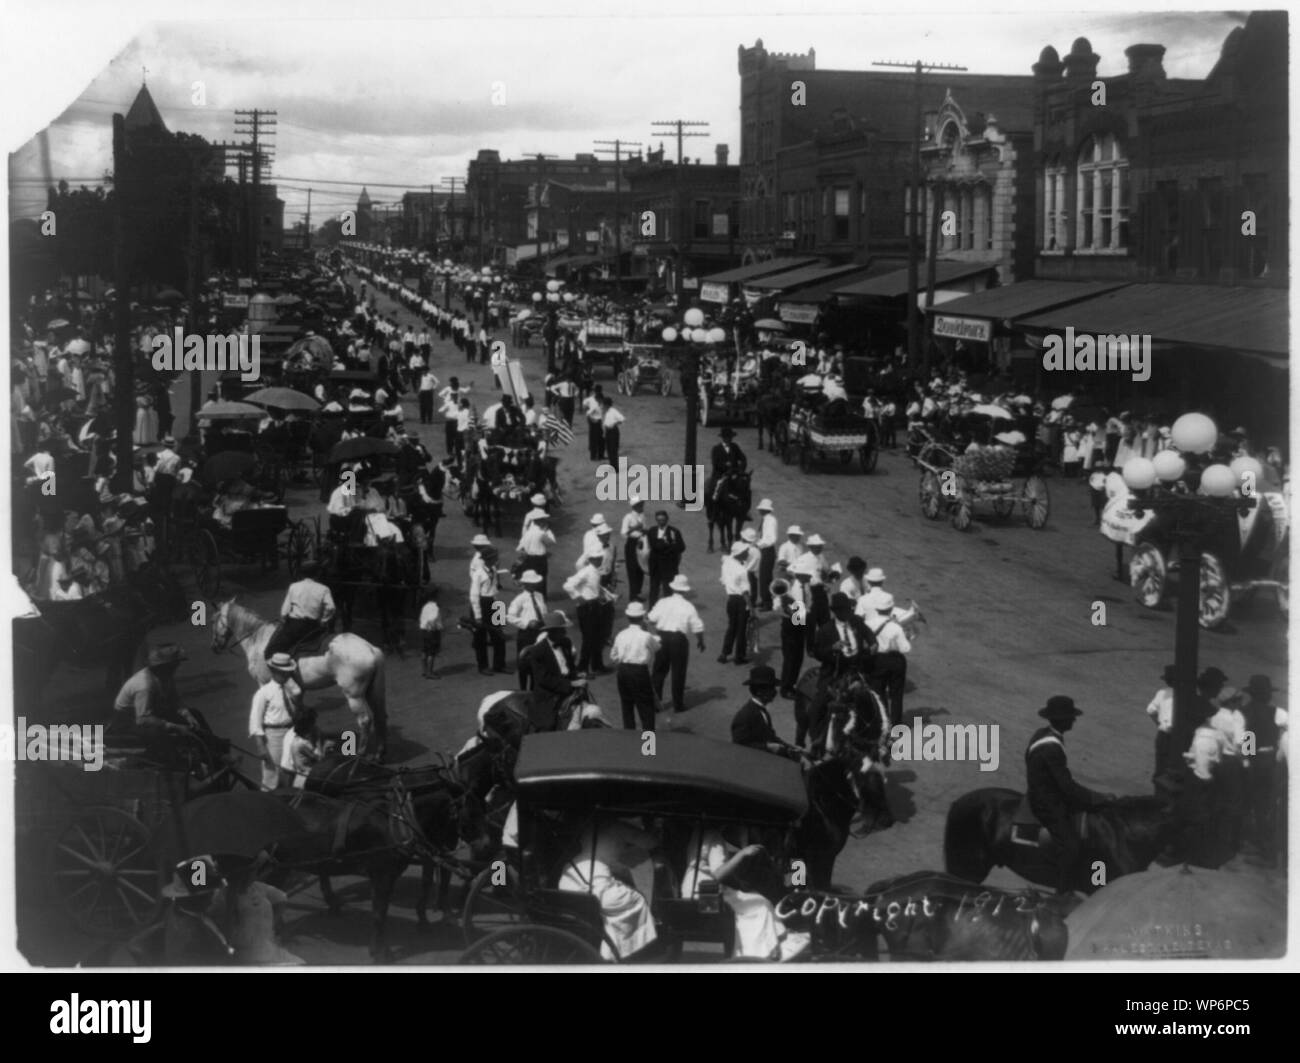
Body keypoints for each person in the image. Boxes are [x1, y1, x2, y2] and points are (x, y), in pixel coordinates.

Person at [679, 823, 809, 962]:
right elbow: (722, 872)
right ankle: (769, 948)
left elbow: (794, 873)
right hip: (724, 887)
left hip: (771, 882)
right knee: (763, 903)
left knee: (777, 895)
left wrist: (794, 880)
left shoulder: (700, 833)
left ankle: (775, 942)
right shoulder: (719, 839)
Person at [1024, 696, 1113, 894]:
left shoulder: (1041, 734)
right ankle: (1062, 893)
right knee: (1070, 845)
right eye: (1070, 717)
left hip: (1042, 792)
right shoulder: (1052, 747)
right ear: (1062, 720)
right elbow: (1067, 786)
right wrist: (1097, 798)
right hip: (1046, 802)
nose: (1074, 720)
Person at [557, 815, 660, 961]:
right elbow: (649, 842)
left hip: (572, 870)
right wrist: (655, 832)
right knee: (637, 899)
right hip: (596, 873)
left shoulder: (588, 825)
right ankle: (627, 948)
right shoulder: (617, 826)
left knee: (608, 893)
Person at [1239, 675, 1284, 865]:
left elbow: (1248, 739)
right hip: (1271, 760)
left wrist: (1247, 762)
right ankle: (1264, 844)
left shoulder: (1246, 711)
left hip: (1255, 761)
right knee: (1266, 805)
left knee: (1254, 804)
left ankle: (1264, 850)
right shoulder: (1275, 712)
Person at [648, 574, 705, 721]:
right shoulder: (688, 606)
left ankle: (655, 702)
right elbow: (697, 627)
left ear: (673, 588)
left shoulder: (662, 602)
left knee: (659, 670)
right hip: (679, 640)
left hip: (662, 637)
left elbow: (651, 619)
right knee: (678, 672)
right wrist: (701, 641)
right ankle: (678, 704)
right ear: (685, 591)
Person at [160, 856, 235, 966]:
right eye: (208, 893)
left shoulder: (180, 912)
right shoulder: (192, 932)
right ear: (194, 899)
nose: (213, 896)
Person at [112, 643, 194, 737]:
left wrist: (187, 714)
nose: (178, 666)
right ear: (165, 666)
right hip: (128, 721)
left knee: (194, 714)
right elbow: (142, 719)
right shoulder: (144, 685)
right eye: (175, 664)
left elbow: (174, 699)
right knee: (166, 735)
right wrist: (174, 726)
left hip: (149, 712)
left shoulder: (165, 676)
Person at [249, 654, 303, 790]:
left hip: (292, 732)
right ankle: (267, 798)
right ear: (274, 671)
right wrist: (261, 746)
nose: (287, 675)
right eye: (283, 672)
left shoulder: (291, 689)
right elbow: (255, 722)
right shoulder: (263, 693)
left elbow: (298, 705)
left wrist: (295, 693)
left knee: (292, 769)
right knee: (272, 773)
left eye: (288, 672)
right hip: (274, 736)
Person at [265, 564, 336, 662]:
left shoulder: (294, 586)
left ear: (302, 574)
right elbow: (331, 607)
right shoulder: (324, 589)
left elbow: (285, 611)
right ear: (317, 574)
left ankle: (281, 668)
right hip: (314, 627)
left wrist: (284, 618)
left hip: (295, 626)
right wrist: (323, 620)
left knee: (271, 651)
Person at [859, 592, 910, 728]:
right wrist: (906, 635)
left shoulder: (867, 623)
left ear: (877, 609)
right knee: (896, 695)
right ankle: (896, 726)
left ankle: (882, 723)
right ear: (891, 609)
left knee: (878, 692)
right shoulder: (896, 626)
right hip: (895, 661)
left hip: (876, 660)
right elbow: (905, 648)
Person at [731, 665, 801, 760]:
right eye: (771, 688)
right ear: (759, 691)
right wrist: (768, 747)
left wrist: (791, 747)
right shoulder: (745, 716)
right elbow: (739, 747)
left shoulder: (762, 711)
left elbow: (771, 737)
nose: (775, 692)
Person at [611, 601, 660, 731]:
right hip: (639, 672)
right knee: (646, 709)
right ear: (642, 617)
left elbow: (613, 656)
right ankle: (648, 743)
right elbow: (656, 647)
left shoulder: (621, 635)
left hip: (623, 670)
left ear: (628, 617)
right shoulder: (646, 636)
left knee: (627, 706)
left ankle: (629, 738)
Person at [528, 611, 578, 731]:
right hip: (549, 692)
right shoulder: (538, 651)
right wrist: (571, 684)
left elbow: (570, 666)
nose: (565, 632)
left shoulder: (566, 642)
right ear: (552, 632)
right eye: (562, 630)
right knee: (548, 725)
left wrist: (576, 675)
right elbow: (544, 679)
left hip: (568, 685)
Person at [469, 534, 509, 676]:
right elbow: (474, 595)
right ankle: (483, 666)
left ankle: (500, 664)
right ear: (488, 559)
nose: (496, 560)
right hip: (482, 603)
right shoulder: (478, 574)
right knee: (480, 637)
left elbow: (494, 588)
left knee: (499, 634)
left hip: (494, 601)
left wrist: (499, 606)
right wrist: (478, 615)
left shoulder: (493, 570)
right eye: (494, 558)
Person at [563, 549, 607, 676]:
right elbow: (568, 585)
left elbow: (593, 587)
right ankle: (583, 667)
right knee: (589, 638)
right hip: (587, 607)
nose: (599, 560)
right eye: (596, 559)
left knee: (598, 637)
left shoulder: (596, 571)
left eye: (600, 558)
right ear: (591, 560)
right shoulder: (585, 572)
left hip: (595, 605)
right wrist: (578, 597)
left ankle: (597, 665)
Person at [505, 570, 548, 690]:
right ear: (526, 584)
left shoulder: (539, 596)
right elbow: (510, 616)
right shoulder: (520, 599)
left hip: (540, 631)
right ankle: (523, 690)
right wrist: (527, 623)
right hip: (527, 633)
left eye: (535, 583)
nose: (534, 585)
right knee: (524, 662)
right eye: (531, 583)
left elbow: (544, 612)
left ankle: (535, 689)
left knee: (538, 662)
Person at [718, 540, 753, 665]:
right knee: (741, 629)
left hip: (731, 599)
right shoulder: (741, 570)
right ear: (740, 554)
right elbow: (745, 592)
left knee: (732, 627)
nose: (748, 553)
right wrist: (751, 609)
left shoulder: (727, 563)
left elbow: (723, 580)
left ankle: (724, 653)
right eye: (746, 552)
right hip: (741, 601)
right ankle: (739, 656)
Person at [1145, 664, 1177, 786]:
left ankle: (1158, 792)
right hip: (1177, 737)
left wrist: (1159, 723)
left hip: (1162, 734)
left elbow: (1150, 711)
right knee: (1174, 769)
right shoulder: (1186, 696)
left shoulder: (1161, 693)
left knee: (1160, 767)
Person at [645, 509, 686, 606]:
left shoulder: (674, 531)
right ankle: (651, 610)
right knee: (654, 589)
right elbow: (654, 545)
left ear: (667, 519)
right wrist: (668, 544)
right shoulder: (652, 531)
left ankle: (668, 610)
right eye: (658, 520)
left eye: (663, 520)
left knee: (668, 590)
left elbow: (681, 547)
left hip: (669, 566)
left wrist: (667, 546)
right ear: (656, 520)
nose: (661, 522)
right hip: (655, 566)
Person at [280, 707, 327, 789]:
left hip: (307, 768)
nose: (314, 724)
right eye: (312, 722)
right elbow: (299, 766)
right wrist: (324, 747)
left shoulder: (312, 730)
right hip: (293, 772)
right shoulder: (296, 741)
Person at [515, 513, 555, 598]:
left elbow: (521, 546)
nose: (545, 522)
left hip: (529, 558)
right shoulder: (541, 533)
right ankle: (541, 598)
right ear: (540, 522)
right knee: (541, 578)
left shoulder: (528, 532)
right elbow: (550, 543)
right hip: (539, 560)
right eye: (544, 520)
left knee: (531, 577)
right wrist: (547, 531)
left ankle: (531, 596)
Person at [620, 494, 648, 602]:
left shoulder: (642, 516)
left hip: (642, 542)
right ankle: (633, 596)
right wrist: (635, 528)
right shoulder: (628, 517)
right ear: (635, 506)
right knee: (632, 569)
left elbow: (644, 528)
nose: (642, 506)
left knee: (641, 568)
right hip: (632, 544)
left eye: (642, 504)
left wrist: (644, 531)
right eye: (640, 504)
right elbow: (623, 533)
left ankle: (637, 593)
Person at [755, 499, 778, 610]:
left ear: (765, 510)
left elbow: (771, 539)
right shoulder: (766, 520)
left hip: (767, 551)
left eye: (761, 509)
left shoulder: (770, 521)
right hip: (764, 550)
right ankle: (765, 599)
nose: (759, 510)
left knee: (765, 577)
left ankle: (768, 602)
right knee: (764, 577)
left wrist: (758, 544)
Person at [418, 586, 444, 680]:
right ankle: (430, 672)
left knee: (424, 651)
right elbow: (432, 619)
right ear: (436, 596)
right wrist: (433, 627)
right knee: (431, 652)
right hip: (432, 632)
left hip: (423, 631)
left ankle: (424, 670)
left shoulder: (425, 606)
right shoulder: (435, 607)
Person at [600, 395, 625, 466]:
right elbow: (605, 424)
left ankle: (615, 467)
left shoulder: (613, 411)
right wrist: (604, 433)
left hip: (613, 432)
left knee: (613, 450)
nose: (602, 406)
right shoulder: (606, 412)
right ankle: (612, 465)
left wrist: (614, 424)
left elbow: (622, 419)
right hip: (608, 431)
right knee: (609, 449)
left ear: (607, 405)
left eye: (603, 404)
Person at [583, 386, 606, 461]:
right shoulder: (594, 405)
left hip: (599, 422)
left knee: (601, 440)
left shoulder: (601, 403)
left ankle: (601, 455)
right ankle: (593, 456)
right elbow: (588, 414)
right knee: (594, 439)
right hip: (594, 422)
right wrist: (593, 420)